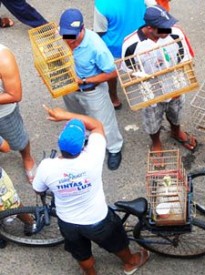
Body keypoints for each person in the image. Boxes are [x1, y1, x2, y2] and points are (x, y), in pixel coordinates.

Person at [33, 106, 150, 275]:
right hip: (97, 219)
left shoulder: (46, 167)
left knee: (80, 252)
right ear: (83, 145)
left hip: (68, 222)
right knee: (117, 242)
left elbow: (38, 189)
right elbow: (96, 125)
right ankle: (130, 263)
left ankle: (90, 273)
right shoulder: (92, 157)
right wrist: (64, 115)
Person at [121, 5, 197, 152]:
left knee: (176, 113)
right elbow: (129, 71)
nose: (169, 30)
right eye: (163, 28)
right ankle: (156, 142)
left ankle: (176, 131)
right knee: (152, 121)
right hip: (150, 91)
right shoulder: (130, 44)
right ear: (150, 28)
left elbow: (185, 60)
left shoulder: (176, 33)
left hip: (174, 85)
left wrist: (180, 87)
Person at [59, 8, 123, 170]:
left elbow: (112, 72)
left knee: (104, 122)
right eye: (66, 36)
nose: (69, 41)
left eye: (73, 37)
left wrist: (85, 80)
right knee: (77, 117)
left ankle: (114, 148)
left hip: (91, 91)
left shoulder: (95, 45)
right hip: (69, 89)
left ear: (82, 29)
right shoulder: (62, 39)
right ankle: (86, 138)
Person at [93, 0, 147, 109]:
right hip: (139, 42)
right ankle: (143, 92)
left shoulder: (101, 4)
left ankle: (114, 98)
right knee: (139, 66)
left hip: (115, 47)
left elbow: (99, 31)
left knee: (110, 72)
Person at [0, 44, 36, 183]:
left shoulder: (3, 58)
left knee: (18, 140)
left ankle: (27, 158)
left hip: (3, 114)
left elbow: (14, 95)